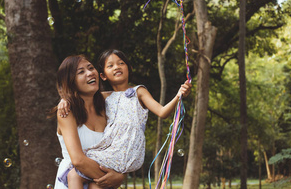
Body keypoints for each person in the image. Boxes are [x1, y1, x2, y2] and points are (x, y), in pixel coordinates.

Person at [59, 49, 192, 189]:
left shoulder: (138, 92)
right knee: (93, 186)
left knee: (74, 175)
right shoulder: (105, 98)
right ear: (103, 75)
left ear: (129, 68)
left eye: (121, 63)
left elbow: (162, 111)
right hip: (112, 151)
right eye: (110, 65)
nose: (117, 67)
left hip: (126, 150)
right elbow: (80, 96)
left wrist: (179, 96)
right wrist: (64, 99)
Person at [51, 55, 125, 189]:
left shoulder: (110, 104)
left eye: (91, 68)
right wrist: (113, 179)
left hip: (100, 184)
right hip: (72, 182)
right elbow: (78, 161)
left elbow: (136, 94)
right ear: (71, 81)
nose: (90, 73)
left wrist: (120, 175)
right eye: (81, 72)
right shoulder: (67, 111)